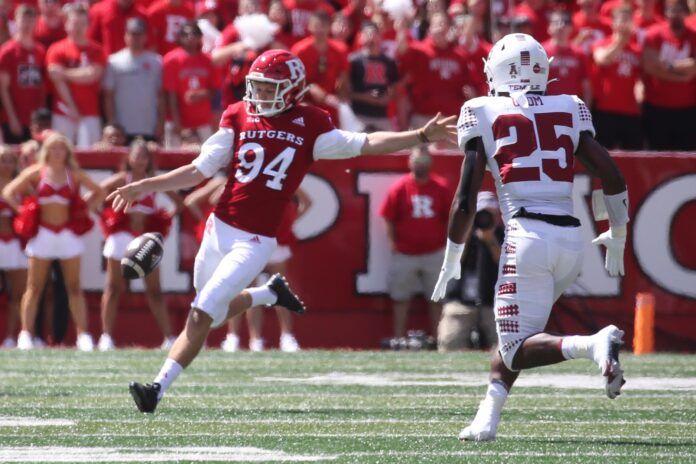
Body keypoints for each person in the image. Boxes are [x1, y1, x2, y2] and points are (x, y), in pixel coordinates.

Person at [107, 49, 455, 413]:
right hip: (218, 228)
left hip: (254, 241)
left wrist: (418, 135)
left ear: (291, 90)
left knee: (202, 313)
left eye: (268, 87)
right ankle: (266, 294)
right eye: (255, 86)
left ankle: (156, 389)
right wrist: (145, 185)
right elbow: (198, 170)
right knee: (214, 313)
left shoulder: (311, 123)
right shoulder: (238, 115)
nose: (258, 95)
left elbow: (366, 143)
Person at [432, 33, 628, 441]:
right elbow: (611, 175)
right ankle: (487, 418)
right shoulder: (570, 105)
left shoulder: (480, 109)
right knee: (520, 334)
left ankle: (592, 344)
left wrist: (451, 255)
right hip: (572, 239)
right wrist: (618, 232)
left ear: (499, 71)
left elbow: (465, 200)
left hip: (527, 236)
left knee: (514, 346)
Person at [2, 133, 105, 351]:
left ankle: (83, 335)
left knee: (74, 287)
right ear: (46, 151)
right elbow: (9, 192)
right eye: (54, 148)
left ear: (67, 152)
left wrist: (83, 209)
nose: (58, 152)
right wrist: (23, 211)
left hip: (68, 235)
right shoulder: (36, 173)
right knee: (34, 287)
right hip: (43, 235)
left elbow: (99, 192)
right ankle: (26, 334)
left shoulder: (73, 174)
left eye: (61, 148)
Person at [97, 139, 181, 351]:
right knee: (114, 288)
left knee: (154, 290)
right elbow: (93, 198)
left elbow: (180, 204)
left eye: (144, 157)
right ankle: (106, 336)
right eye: (137, 156)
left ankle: (169, 338)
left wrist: (161, 222)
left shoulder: (153, 181)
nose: (141, 161)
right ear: (129, 159)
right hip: (120, 237)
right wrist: (108, 220)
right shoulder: (121, 179)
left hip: (144, 240)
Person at [221, 190, 311, 352]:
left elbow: (307, 202)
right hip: (252, 242)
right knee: (247, 290)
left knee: (281, 289)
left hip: (276, 241)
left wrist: (288, 222)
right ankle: (251, 339)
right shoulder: (250, 180)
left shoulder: (287, 178)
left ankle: (287, 337)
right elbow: (224, 201)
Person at [379, 146, 451, 343]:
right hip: (405, 252)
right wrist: (393, 243)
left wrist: (446, 244)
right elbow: (388, 217)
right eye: (417, 162)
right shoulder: (400, 188)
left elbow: (450, 218)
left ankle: (439, 339)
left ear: (430, 164)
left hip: (434, 252)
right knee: (400, 298)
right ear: (410, 163)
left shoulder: (441, 187)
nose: (421, 166)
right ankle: (399, 338)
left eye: (424, 162)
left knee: (436, 298)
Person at [438, 191, 501, 352]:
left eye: (490, 213)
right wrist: (464, 234)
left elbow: (506, 266)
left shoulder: (505, 234)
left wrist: (490, 240)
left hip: (494, 303)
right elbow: (452, 263)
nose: (484, 219)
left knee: (504, 346)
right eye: (481, 214)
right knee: (450, 343)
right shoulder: (461, 233)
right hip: (460, 301)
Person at [46, 4, 106, 148]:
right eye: (74, 23)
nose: (78, 28)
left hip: (91, 113)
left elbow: (92, 75)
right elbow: (56, 78)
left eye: (82, 23)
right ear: (66, 24)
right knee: (59, 154)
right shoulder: (56, 49)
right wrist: (72, 107)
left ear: (88, 25)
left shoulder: (97, 50)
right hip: (63, 112)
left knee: (90, 157)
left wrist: (64, 73)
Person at [641, 0, 696, 150]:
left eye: (679, 11)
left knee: (686, 158)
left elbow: (694, 68)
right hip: (657, 107)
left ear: (686, 14)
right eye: (672, 11)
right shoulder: (654, 34)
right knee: (657, 155)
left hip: (688, 110)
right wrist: (683, 75)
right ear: (665, 13)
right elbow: (650, 67)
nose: (675, 15)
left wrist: (667, 66)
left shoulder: (693, 36)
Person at [103, 18, 164, 143]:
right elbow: (108, 96)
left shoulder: (156, 62)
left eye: (139, 34)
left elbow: (161, 96)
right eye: (132, 34)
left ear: (145, 36)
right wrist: (111, 123)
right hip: (121, 130)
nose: (135, 38)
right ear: (125, 35)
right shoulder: (114, 62)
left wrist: (160, 122)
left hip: (149, 127)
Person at [591, 6, 643, 150]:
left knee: (632, 155)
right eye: (622, 20)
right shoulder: (601, 43)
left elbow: (640, 77)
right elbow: (602, 59)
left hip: (630, 111)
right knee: (604, 154)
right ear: (613, 23)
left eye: (628, 20)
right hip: (606, 109)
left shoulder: (637, 50)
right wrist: (621, 41)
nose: (625, 24)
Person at [163, 21, 219, 148]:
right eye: (186, 34)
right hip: (177, 119)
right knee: (175, 158)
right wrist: (177, 121)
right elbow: (170, 93)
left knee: (206, 157)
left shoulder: (208, 60)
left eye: (194, 33)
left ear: (200, 37)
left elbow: (214, 90)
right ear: (180, 37)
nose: (190, 37)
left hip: (202, 120)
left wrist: (201, 94)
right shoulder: (171, 59)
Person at [0, 5, 46, 145]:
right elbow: (3, 88)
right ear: (16, 21)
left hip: (34, 120)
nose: (26, 24)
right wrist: (12, 118)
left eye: (30, 20)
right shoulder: (7, 51)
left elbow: (42, 87)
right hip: (13, 118)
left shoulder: (40, 51)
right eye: (23, 20)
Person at [348, 21, 398, 132]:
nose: (370, 37)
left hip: (382, 116)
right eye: (366, 34)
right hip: (359, 116)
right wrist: (364, 97)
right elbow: (344, 92)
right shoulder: (353, 61)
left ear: (380, 36)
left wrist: (387, 97)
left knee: (388, 148)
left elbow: (394, 87)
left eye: (374, 33)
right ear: (360, 37)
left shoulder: (389, 61)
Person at [0, 147, 27, 348]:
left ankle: (11, 337)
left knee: (19, 293)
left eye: (10, 160)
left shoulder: (21, 187)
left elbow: (33, 208)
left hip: (14, 244)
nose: (6, 164)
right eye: (2, 160)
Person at [543, 11, 592, 104]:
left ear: (571, 28)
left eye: (565, 22)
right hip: (547, 106)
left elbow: (586, 84)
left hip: (571, 107)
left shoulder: (579, 53)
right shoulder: (541, 52)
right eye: (556, 22)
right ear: (549, 27)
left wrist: (587, 109)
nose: (561, 26)